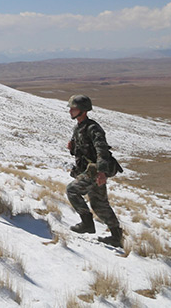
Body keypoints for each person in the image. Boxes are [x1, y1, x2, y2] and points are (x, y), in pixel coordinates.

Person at [65, 94, 124, 247]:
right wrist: (72, 148)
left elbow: (101, 150)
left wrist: (102, 172)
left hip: (96, 170)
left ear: (83, 110)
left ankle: (87, 223)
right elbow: (82, 151)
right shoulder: (78, 128)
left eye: (74, 108)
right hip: (88, 170)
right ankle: (116, 236)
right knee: (99, 204)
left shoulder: (93, 128)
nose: (70, 111)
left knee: (72, 190)